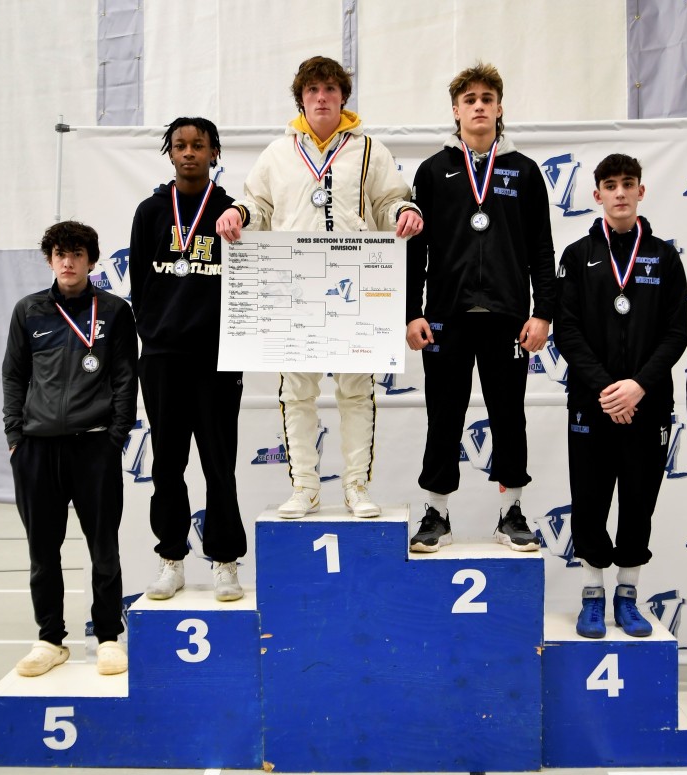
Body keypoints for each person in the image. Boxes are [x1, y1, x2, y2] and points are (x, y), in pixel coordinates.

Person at [216, 56, 422, 520]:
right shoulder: (277, 153)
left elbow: (390, 201)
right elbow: (257, 204)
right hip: (296, 286)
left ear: (343, 97)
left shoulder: (368, 149)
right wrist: (237, 213)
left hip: (356, 284)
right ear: (301, 99)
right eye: (313, 90)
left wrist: (404, 213)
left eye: (330, 89)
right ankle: (305, 487)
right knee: (296, 391)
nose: (322, 97)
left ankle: (356, 486)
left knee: (356, 390)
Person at [404, 62, 555, 553]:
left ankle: (511, 513)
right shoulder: (433, 171)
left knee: (509, 416)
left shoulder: (524, 171)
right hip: (445, 316)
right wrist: (411, 312)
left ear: (499, 108)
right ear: (456, 110)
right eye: (469, 100)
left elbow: (541, 249)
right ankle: (436, 513)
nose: (479, 106)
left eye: (487, 98)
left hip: (508, 318)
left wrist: (543, 313)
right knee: (443, 416)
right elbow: (416, 250)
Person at [553, 153, 687, 638]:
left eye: (628, 184)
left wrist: (637, 386)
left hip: (647, 403)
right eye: (610, 185)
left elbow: (676, 334)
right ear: (597, 195)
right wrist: (607, 388)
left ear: (641, 191)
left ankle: (628, 595)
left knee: (638, 500)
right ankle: (592, 594)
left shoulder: (665, 257)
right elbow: (567, 332)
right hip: (592, 403)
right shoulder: (577, 256)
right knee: (589, 498)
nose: (620, 193)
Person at [2, 221, 137, 677]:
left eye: (77, 254)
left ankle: (108, 638)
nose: (68, 262)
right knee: (43, 552)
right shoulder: (29, 311)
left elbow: (125, 378)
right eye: (60, 254)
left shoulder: (114, 311)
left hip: (94, 446)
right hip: (37, 449)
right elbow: (14, 375)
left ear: (91, 261)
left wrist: (115, 437)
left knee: (103, 548)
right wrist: (15, 437)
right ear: (50, 260)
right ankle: (50, 639)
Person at [130, 117, 246, 602]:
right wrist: (155, 334)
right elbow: (140, 282)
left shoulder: (231, 211)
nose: (189, 152)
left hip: (217, 359)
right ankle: (171, 559)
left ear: (214, 152)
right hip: (162, 358)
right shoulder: (151, 212)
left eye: (199, 145)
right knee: (167, 466)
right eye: (180, 145)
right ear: (170, 153)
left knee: (219, 466)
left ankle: (224, 561)